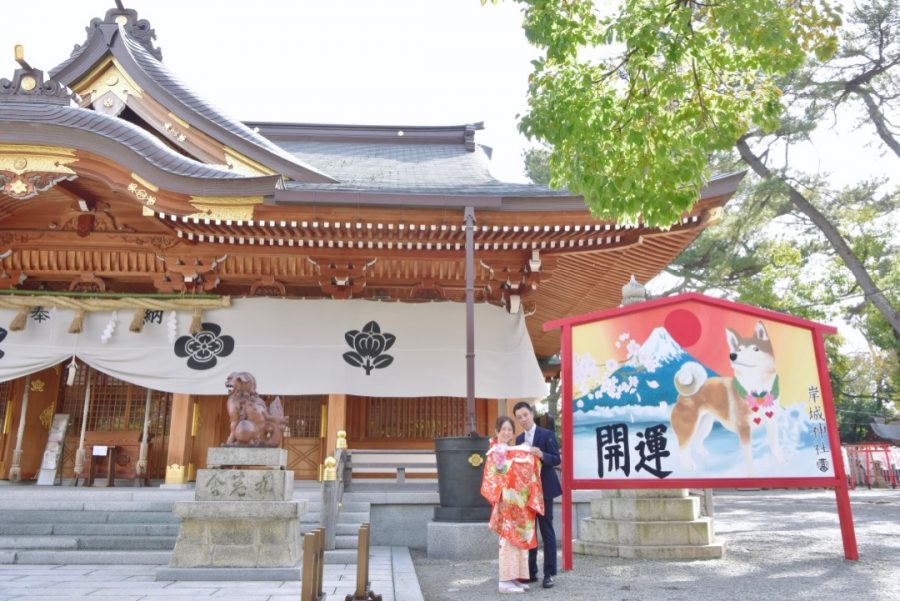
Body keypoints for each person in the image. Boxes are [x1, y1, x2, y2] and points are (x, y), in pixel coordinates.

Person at [481, 415, 545, 594]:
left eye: (510, 429)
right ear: (497, 432)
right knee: (508, 541)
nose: (507, 432)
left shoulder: (514, 450)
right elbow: (496, 476)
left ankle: (516, 578)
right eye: (504, 430)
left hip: (520, 503)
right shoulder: (496, 452)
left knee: (521, 540)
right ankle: (504, 581)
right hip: (507, 503)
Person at [513, 401, 562, 589]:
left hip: (544, 490)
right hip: (526, 493)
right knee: (529, 531)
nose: (523, 419)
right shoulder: (518, 439)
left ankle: (549, 574)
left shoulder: (546, 434)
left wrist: (541, 454)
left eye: (525, 415)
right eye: (519, 417)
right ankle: (530, 573)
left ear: (531, 413)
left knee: (547, 531)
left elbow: (556, 459)